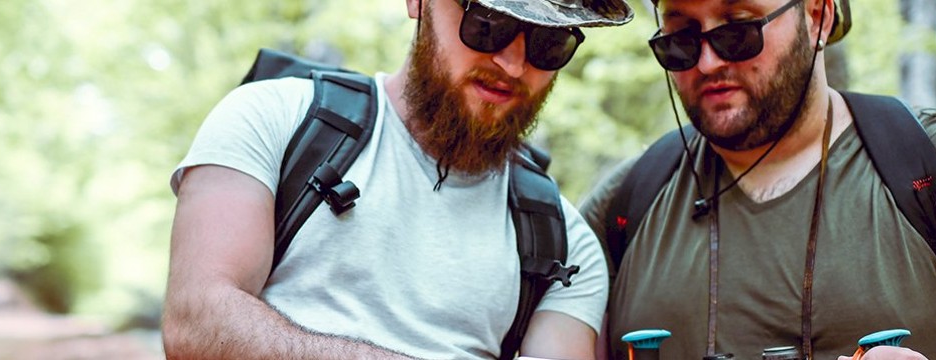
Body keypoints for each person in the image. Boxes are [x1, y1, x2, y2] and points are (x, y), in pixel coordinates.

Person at [578, 0, 936, 359]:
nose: (709, 61)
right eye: (683, 39)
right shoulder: (625, 203)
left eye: (738, 28)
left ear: (818, 16)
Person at [162, 0, 631, 358]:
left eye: (551, 43)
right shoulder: (274, 117)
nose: (513, 62)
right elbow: (197, 321)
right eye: (489, 24)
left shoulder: (565, 244)